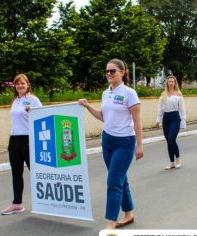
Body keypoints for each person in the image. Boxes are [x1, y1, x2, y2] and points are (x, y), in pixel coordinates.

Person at [78, 58, 144, 229]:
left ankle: (111, 222)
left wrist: (139, 145)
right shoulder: (105, 93)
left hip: (124, 143)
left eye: (112, 71)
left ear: (122, 72)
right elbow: (103, 116)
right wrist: (87, 106)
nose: (109, 74)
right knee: (121, 179)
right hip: (107, 140)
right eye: (107, 71)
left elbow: (137, 121)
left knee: (113, 181)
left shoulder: (130, 93)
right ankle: (128, 213)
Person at [1, 74, 42, 215]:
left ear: (28, 85)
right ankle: (17, 204)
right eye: (17, 84)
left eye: (22, 83)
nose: (20, 86)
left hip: (28, 139)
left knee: (36, 172)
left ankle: (47, 203)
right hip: (14, 140)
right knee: (16, 173)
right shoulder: (15, 101)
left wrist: (33, 112)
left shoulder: (33, 100)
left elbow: (42, 118)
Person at [156, 75, 186, 169]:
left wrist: (183, 121)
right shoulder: (163, 94)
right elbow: (160, 109)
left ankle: (178, 158)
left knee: (171, 139)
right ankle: (171, 162)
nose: (171, 83)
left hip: (175, 118)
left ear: (175, 83)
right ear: (167, 83)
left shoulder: (178, 94)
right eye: (169, 82)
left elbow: (182, 109)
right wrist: (157, 120)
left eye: (173, 82)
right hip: (166, 118)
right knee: (168, 142)